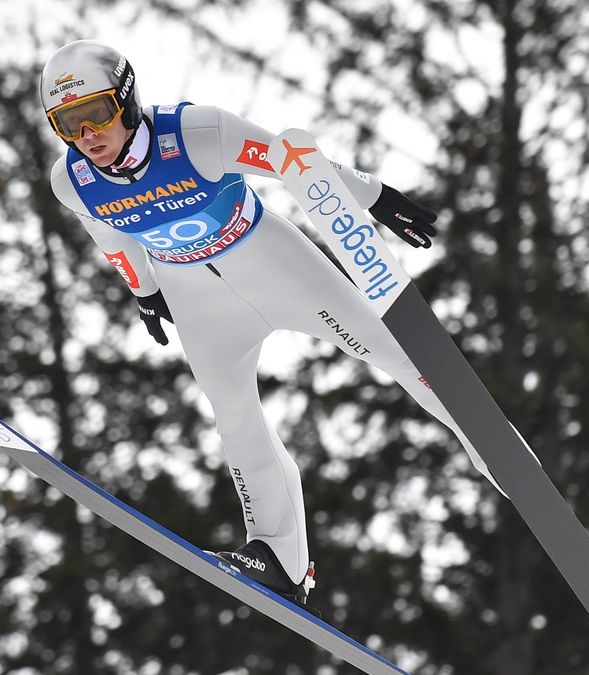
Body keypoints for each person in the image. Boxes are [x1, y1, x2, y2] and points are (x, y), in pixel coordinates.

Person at [42, 40, 501, 606]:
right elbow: (111, 236)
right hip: (196, 300)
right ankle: (280, 558)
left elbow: (292, 163)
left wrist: (373, 196)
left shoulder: (197, 134)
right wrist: (145, 292)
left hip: (273, 264)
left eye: (96, 114)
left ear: (128, 98)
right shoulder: (73, 181)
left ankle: (493, 451)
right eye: (68, 124)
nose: (87, 136)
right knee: (233, 415)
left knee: (394, 352)